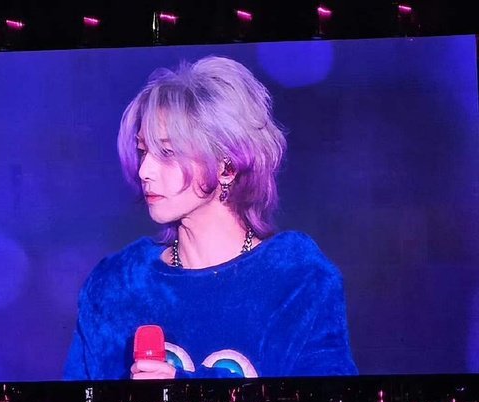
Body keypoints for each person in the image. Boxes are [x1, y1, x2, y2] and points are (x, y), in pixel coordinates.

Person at [63, 56, 357, 380]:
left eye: (167, 153)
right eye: (143, 151)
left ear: (227, 166)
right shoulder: (116, 286)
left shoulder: (296, 279)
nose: (144, 170)